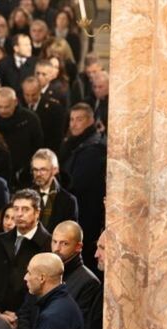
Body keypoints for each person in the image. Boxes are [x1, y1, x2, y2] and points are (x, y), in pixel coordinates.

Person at [0, 189, 51, 326]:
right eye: (16, 209)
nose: (19, 214)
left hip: (30, 323)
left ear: (37, 213)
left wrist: (19, 316)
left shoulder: (48, 245)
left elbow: (44, 289)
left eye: (25, 209)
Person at [59, 103, 106, 268]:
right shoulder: (73, 144)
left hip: (87, 213)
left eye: (79, 119)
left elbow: (78, 183)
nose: (73, 124)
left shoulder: (94, 149)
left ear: (90, 121)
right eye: (71, 119)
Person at [0, 87, 43, 186]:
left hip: (24, 176)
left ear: (15, 102)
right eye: (0, 107)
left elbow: (38, 148)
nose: (3, 111)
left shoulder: (30, 119)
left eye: (7, 107)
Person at [29, 148, 78, 233]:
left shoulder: (68, 201)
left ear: (55, 170)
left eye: (43, 169)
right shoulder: (25, 197)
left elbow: (70, 235)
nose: (38, 174)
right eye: (35, 170)